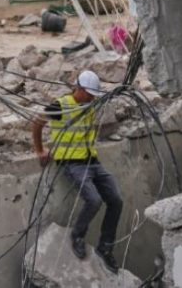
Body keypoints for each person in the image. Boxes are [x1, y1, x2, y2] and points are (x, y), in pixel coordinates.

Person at [30, 70, 122, 274]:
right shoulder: (60, 105)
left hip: (92, 161)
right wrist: (40, 150)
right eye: (89, 94)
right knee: (94, 200)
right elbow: (37, 122)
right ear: (78, 88)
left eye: (93, 95)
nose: (91, 98)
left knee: (116, 200)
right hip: (72, 164)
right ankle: (77, 235)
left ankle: (105, 248)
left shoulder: (89, 104)